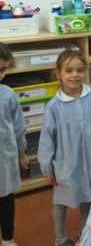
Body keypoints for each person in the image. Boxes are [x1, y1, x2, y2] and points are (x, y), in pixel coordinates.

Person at [38, 50, 91, 246]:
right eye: (69, 70)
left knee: (89, 198)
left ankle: (84, 233)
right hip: (66, 163)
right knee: (61, 200)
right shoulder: (54, 106)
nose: (75, 75)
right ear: (58, 73)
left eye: (79, 70)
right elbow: (47, 139)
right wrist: (47, 168)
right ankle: (61, 238)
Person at [0, 43, 28, 246]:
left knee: (5, 200)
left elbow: (18, 127)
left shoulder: (7, 94)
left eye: (3, 70)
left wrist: (21, 152)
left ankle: (8, 240)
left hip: (4, 158)